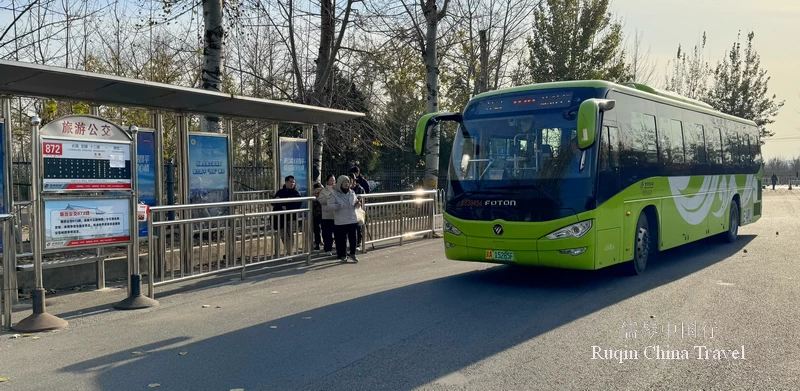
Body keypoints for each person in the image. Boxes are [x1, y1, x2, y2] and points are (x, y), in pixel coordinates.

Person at [327, 175, 361, 263]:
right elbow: (330, 205)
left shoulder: (352, 193)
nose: (346, 184)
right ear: (340, 183)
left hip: (352, 219)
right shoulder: (334, 194)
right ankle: (342, 255)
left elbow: (356, 202)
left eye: (348, 182)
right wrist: (336, 206)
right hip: (341, 220)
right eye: (344, 182)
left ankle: (353, 253)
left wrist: (358, 205)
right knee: (341, 239)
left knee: (353, 238)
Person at [273, 175, 302, 256]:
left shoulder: (296, 193)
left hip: (291, 218)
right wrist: (280, 204)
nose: (292, 183)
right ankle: (289, 251)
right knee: (284, 235)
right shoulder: (280, 192)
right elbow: (273, 202)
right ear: (286, 182)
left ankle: (289, 252)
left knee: (290, 235)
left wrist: (286, 207)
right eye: (290, 182)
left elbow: (297, 205)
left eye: (293, 182)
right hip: (280, 218)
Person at [317, 174, 337, 255]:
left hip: (336, 215)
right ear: (327, 181)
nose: (333, 182)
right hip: (327, 216)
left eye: (334, 180)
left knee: (337, 233)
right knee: (327, 234)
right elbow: (322, 201)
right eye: (331, 180)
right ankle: (327, 249)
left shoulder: (337, 190)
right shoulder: (323, 191)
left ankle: (337, 248)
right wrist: (329, 196)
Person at [311, 182, 324, 250]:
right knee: (317, 230)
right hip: (316, 214)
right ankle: (317, 243)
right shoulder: (313, 197)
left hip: (323, 214)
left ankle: (320, 243)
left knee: (323, 230)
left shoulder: (323, 195)